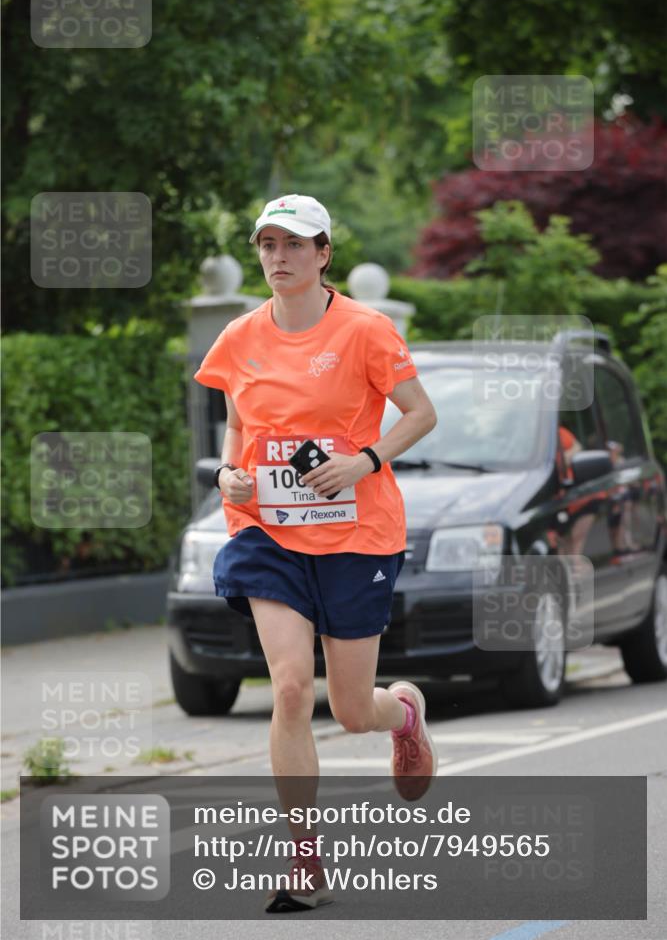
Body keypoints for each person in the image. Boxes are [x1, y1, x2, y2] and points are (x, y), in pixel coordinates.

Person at [193, 193, 439, 913]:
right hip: (265, 530)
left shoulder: (365, 329)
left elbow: (420, 414)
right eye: (268, 245)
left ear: (323, 253)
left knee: (352, 708)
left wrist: (365, 460)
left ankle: (404, 715)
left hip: (355, 532)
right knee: (293, 688)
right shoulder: (238, 336)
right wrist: (226, 473)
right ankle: (304, 860)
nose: (279, 258)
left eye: (295, 245)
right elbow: (238, 424)